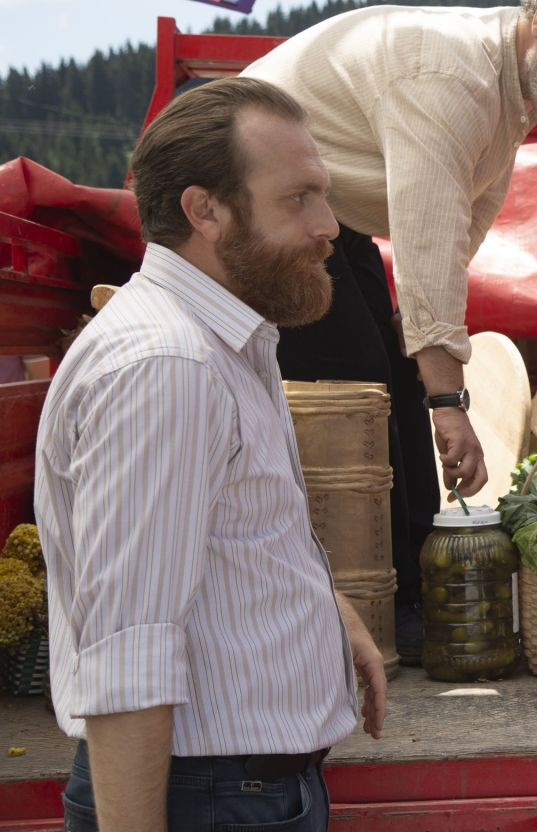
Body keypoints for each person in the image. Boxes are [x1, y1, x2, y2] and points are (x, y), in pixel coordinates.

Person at [240, 0, 537, 660]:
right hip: (240, 199)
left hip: (316, 206)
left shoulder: (509, 101)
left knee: (395, 367)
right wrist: (449, 405)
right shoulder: (452, 73)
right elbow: (426, 240)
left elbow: (455, 242)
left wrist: (427, 363)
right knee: (359, 381)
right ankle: (370, 602)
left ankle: (414, 589)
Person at [34, 77, 387, 832]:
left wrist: (320, 608)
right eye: (299, 198)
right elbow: (130, 649)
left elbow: (219, 538)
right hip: (205, 799)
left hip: (229, 793)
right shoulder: (169, 367)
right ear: (206, 211)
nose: (330, 225)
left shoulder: (218, 339)